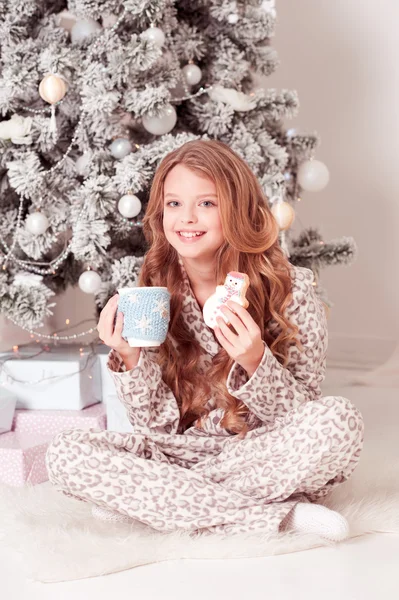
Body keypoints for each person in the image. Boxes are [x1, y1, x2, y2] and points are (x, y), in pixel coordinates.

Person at [45, 139, 364, 542]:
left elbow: (302, 415)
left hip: (262, 453)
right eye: (174, 204)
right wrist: (129, 358)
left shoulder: (292, 290)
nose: (187, 218)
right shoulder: (154, 292)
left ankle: (155, 504)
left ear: (237, 209)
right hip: (179, 454)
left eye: (207, 204)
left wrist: (255, 361)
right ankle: (279, 518)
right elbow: (156, 427)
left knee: (339, 421)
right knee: (65, 454)